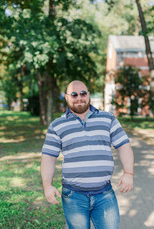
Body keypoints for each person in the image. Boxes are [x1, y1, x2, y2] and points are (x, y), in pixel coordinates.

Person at [41, 80, 134, 229]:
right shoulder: (57, 125)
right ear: (66, 97)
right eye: (74, 94)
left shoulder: (108, 119)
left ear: (88, 95)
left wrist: (128, 173)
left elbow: (123, 145)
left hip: (104, 194)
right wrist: (47, 186)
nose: (79, 97)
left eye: (83, 93)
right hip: (73, 196)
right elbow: (48, 157)